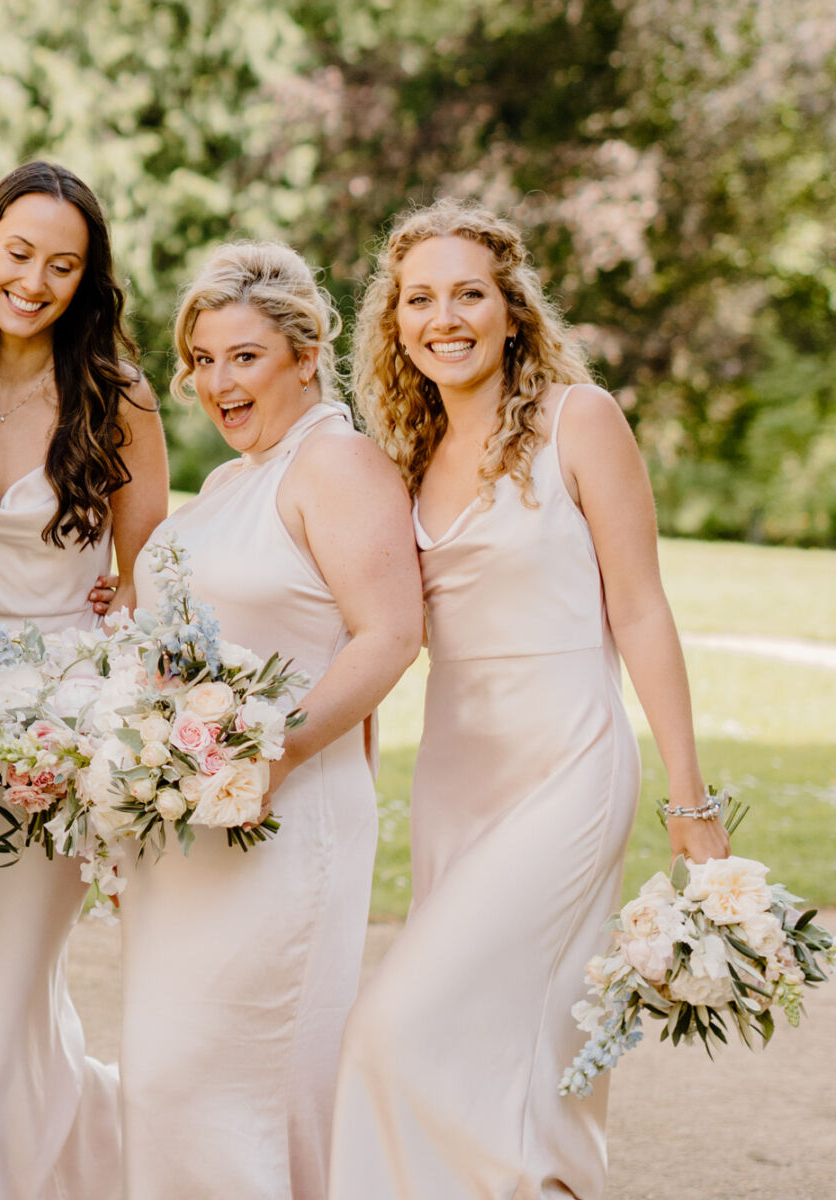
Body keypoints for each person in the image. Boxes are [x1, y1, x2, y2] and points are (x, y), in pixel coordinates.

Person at [328, 198, 730, 1199]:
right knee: (511, 1044)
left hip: (569, 766)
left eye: (469, 293)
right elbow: (371, 633)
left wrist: (691, 804)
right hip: (457, 782)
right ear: (395, 322)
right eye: (419, 298)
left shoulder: (577, 421)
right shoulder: (404, 458)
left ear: (514, 310)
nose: (444, 316)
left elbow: (640, 611)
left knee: (395, 1029)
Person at [119, 242, 422, 1199]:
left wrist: (275, 755)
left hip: (282, 821)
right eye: (202, 361)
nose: (217, 383)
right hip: (187, 833)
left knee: (232, 1080)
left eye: (243, 356)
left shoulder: (337, 464)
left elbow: (389, 634)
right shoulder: (225, 486)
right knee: (169, 1078)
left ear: (303, 353)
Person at [0, 160, 167, 1200]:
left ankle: (54, 1167)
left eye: (64, 264)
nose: (36, 280)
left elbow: (153, 573)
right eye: (19, 254)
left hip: (63, 728)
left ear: (87, 278)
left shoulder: (118, 396)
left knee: (9, 996)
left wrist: (111, 615)